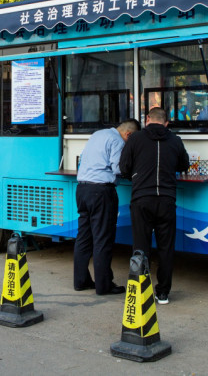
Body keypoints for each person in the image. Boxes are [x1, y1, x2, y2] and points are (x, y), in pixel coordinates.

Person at [119, 107, 190, 305]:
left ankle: (142, 290)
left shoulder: (135, 139)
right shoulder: (175, 140)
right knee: (166, 248)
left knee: (140, 248)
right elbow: (184, 165)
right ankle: (163, 293)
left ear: (147, 119)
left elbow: (123, 167)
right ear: (166, 123)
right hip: (167, 201)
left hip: (141, 200)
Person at [73, 118, 140, 295]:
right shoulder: (118, 141)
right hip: (101, 192)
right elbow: (118, 169)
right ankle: (104, 286)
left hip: (82, 189)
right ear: (129, 134)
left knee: (84, 238)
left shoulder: (98, 134)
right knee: (103, 239)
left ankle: (80, 281)